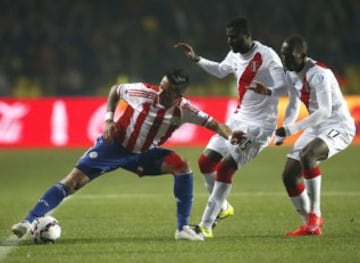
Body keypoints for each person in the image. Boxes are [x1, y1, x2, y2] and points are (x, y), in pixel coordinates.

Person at [11, 68, 246, 241]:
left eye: (166, 91)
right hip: (114, 146)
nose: (160, 92)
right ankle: (28, 220)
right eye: (161, 86)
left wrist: (231, 136)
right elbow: (115, 91)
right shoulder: (143, 91)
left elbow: (216, 124)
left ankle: (182, 229)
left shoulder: (184, 110)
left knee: (182, 166)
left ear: (178, 95)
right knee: (72, 181)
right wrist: (108, 120)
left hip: (144, 154)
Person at [174, 17, 287, 238]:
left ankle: (206, 226)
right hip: (238, 118)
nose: (230, 41)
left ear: (247, 36)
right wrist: (196, 59)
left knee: (225, 168)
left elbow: (284, 86)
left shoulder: (267, 55)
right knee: (205, 162)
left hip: (260, 126)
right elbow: (220, 70)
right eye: (228, 36)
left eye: (234, 37)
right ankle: (224, 208)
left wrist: (269, 91)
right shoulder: (234, 54)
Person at [248, 34, 356, 236]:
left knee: (308, 156)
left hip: (338, 125)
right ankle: (309, 225)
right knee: (289, 176)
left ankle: (316, 215)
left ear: (303, 56)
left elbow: (324, 111)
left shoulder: (319, 74)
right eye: (283, 55)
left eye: (290, 56)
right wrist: (284, 130)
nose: (286, 60)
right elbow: (293, 104)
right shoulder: (290, 73)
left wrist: (291, 130)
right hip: (315, 127)